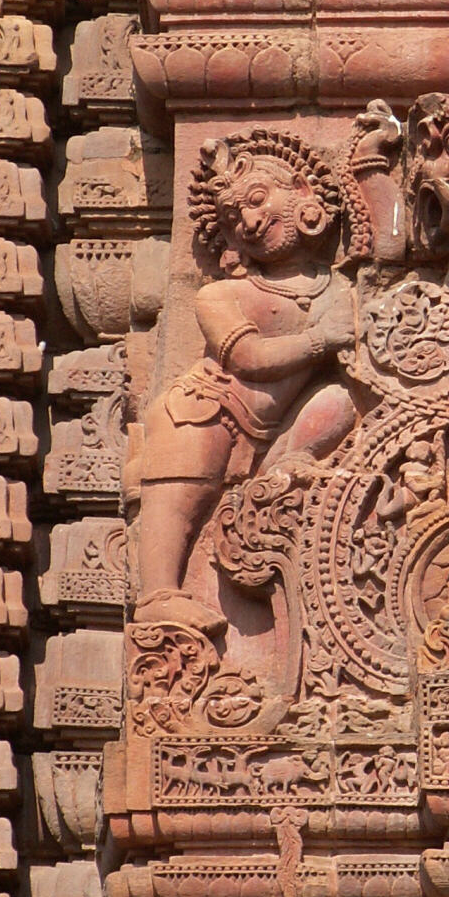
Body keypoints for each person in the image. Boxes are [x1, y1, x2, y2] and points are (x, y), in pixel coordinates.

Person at [136, 131, 358, 632]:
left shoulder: (335, 287)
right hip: (206, 408)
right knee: (183, 494)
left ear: (302, 190)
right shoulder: (221, 295)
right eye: (236, 219)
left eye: (257, 201)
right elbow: (249, 357)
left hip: (271, 428)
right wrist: (320, 341)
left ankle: (282, 471)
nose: (252, 222)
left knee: (341, 401)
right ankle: (158, 594)